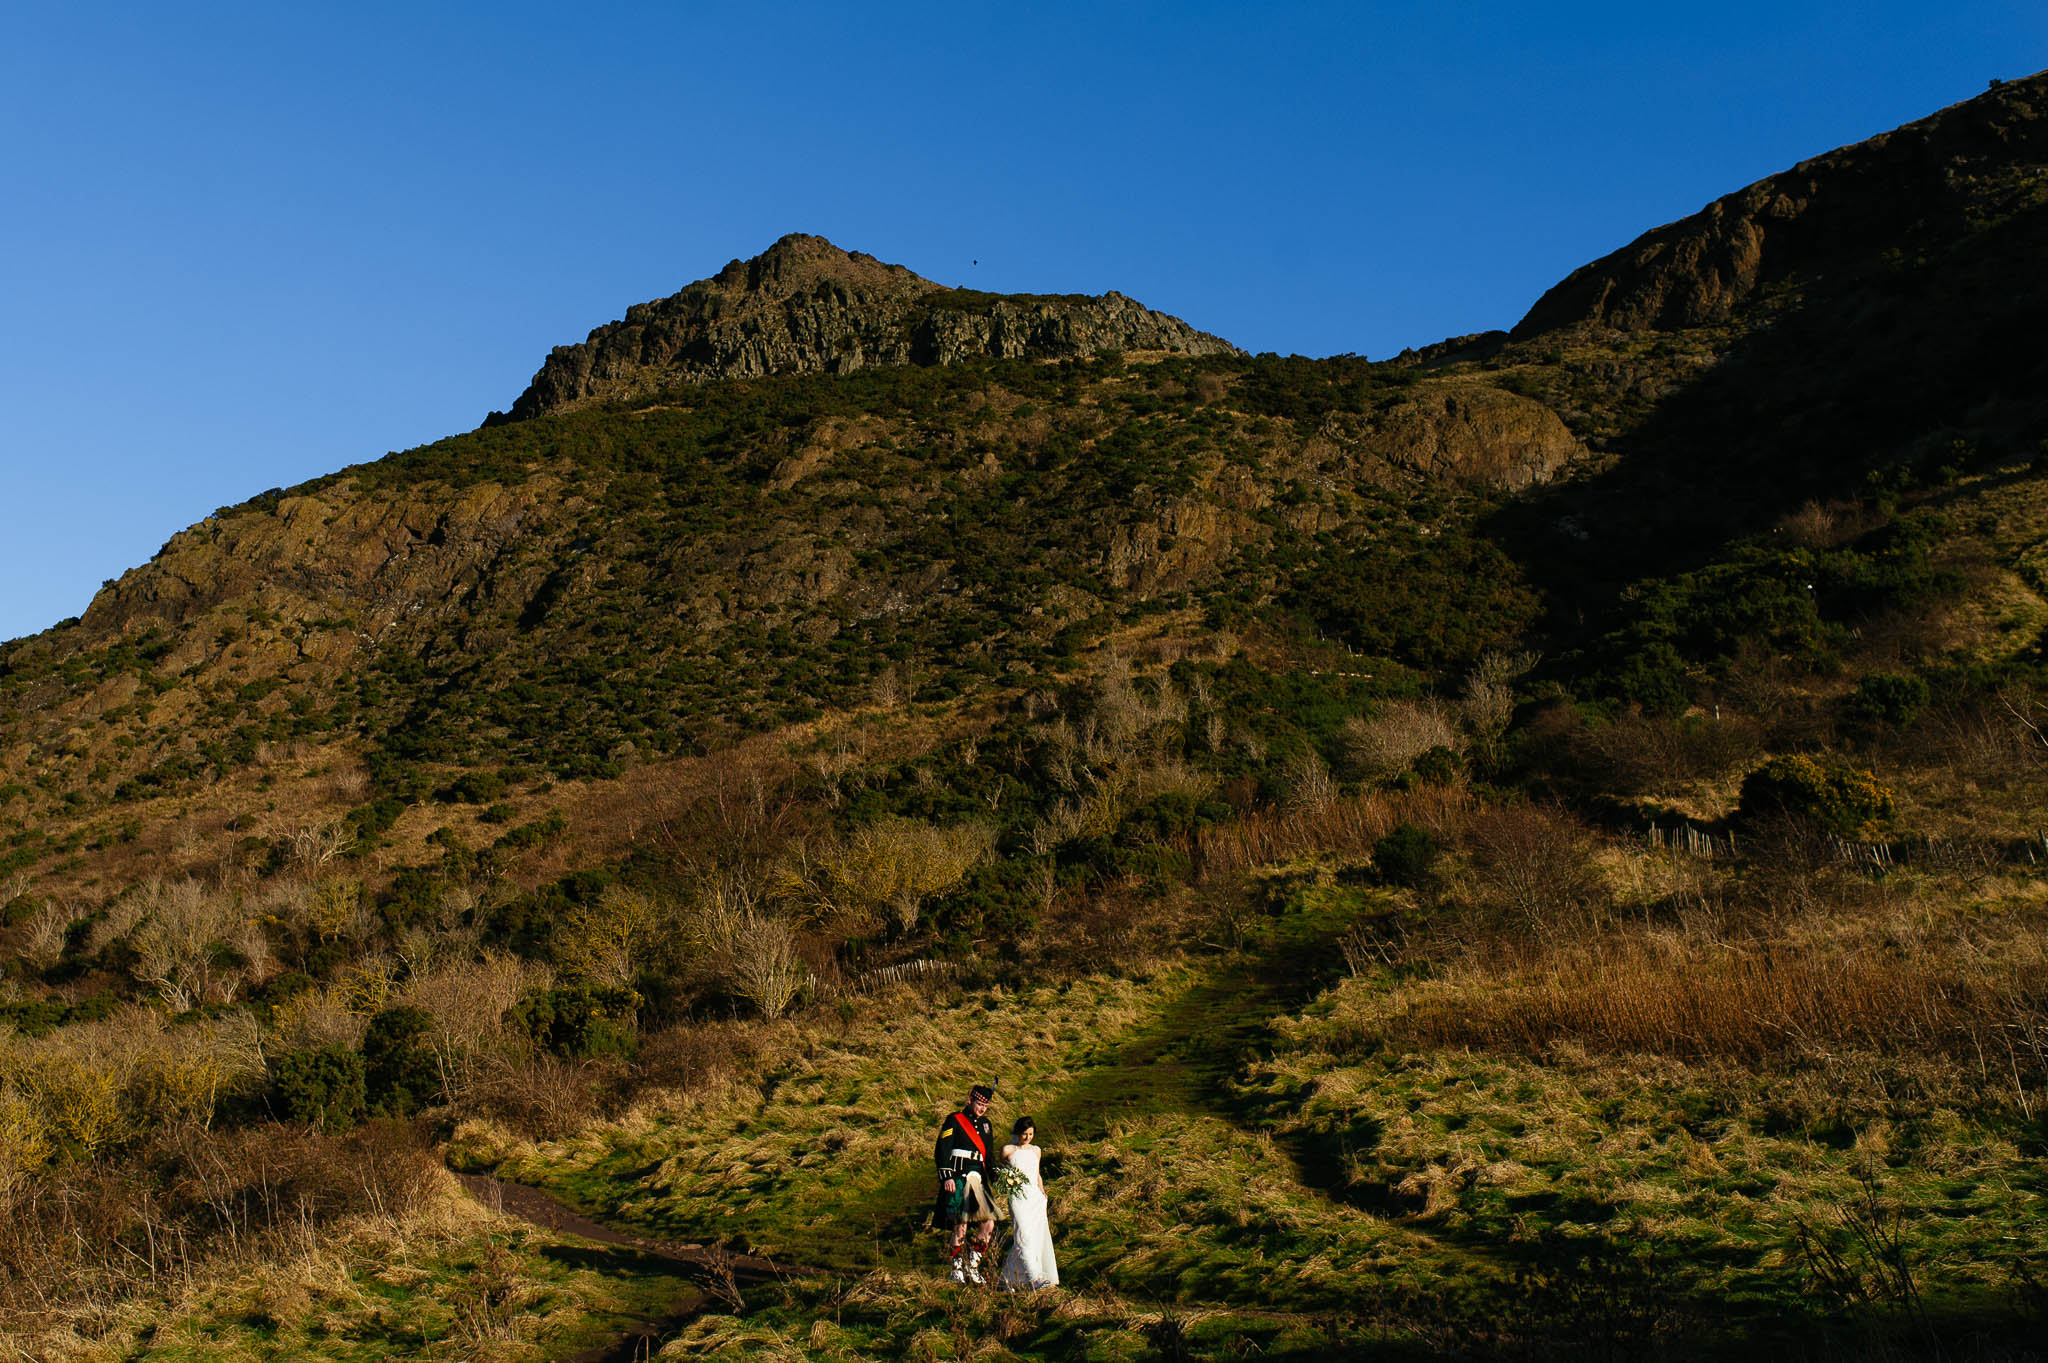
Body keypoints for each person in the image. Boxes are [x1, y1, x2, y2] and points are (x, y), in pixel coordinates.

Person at [933, 1084, 998, 1283]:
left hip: (978, 1178)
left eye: (985, 1106)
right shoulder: (954, 1120)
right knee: (960, 1225)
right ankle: (956, 1268)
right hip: (958, 1176)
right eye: (979, 1104)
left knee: (988, 1223)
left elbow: (988, 1155)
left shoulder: (986, 1125)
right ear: (970, 1100)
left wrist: (996, 1175)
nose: (982, 1109)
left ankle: (973, 1265)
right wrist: (947, 1176)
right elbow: (942, 1149)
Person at [999, 1115, 1059, 1289]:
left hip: (1035, 1198)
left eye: (1031, 1134)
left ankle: (1009, 1279)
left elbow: (1037, 1173)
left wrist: (1042, 1192)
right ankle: (1034, 1277)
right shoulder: (1008, 1150)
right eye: (1024, 1134)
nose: (1027, 1137)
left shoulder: (1036, 1150)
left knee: (1034, 1236)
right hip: (1018, 1198)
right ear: (1018, 1132)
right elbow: (1002, 1171)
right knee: (1022, 1234)